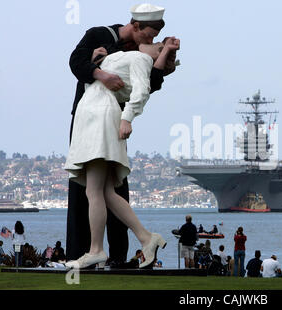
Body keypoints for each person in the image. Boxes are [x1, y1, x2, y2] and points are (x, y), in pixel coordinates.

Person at [66, 3, 178, 266]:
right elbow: (75, 61)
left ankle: (102, 252)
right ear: (135, 26)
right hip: (93, 117)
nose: (150, 41)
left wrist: (163, 60)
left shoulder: (138, 54)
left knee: (101, 189)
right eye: (148, 36)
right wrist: (100, 72)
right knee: (101, 190)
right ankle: (136, 241)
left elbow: (148, 85)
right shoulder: (99, 34)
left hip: (105, 118)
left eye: (154, 40)